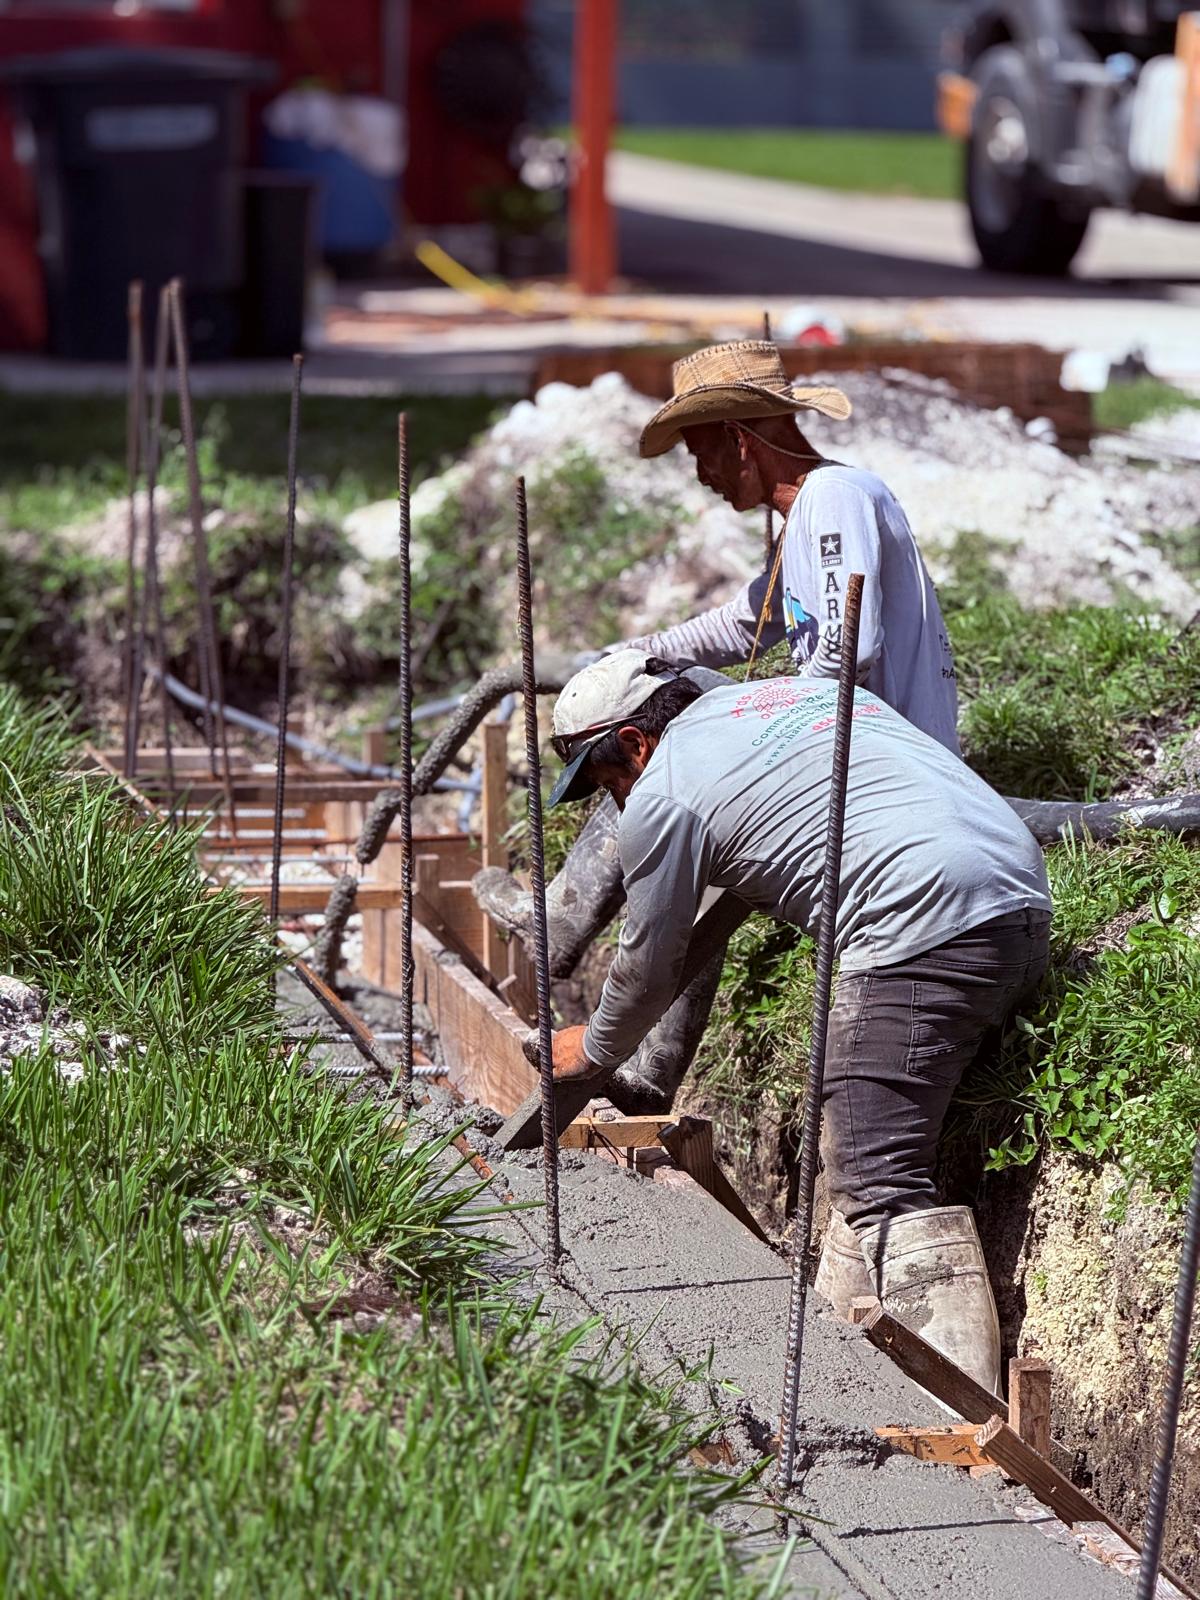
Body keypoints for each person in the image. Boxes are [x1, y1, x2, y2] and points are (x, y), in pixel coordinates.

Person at [543, 649, 1052, 1389]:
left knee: (879, 1174)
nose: (616, 802)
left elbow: (648, 961)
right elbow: (717, 912)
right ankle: (841, 1376)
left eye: (607, 781)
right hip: (1019, 903)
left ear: (633, 742)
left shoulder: (667, 793)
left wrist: (591, 1048)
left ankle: (957, 1425)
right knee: (860, 1148)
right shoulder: (788, 700)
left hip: (925, 927)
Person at [474, 339, 959, 1110]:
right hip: (840, 746)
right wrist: (645, 650)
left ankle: (557, 930)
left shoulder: (834, 500)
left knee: (666, 746)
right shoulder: (802, 519)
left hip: (868, 758)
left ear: (740, 439)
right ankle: (642, 1053)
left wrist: (764, 729)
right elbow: (745, 624)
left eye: (703, 452)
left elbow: (852, 647)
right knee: (678, 769)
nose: (701, 476)